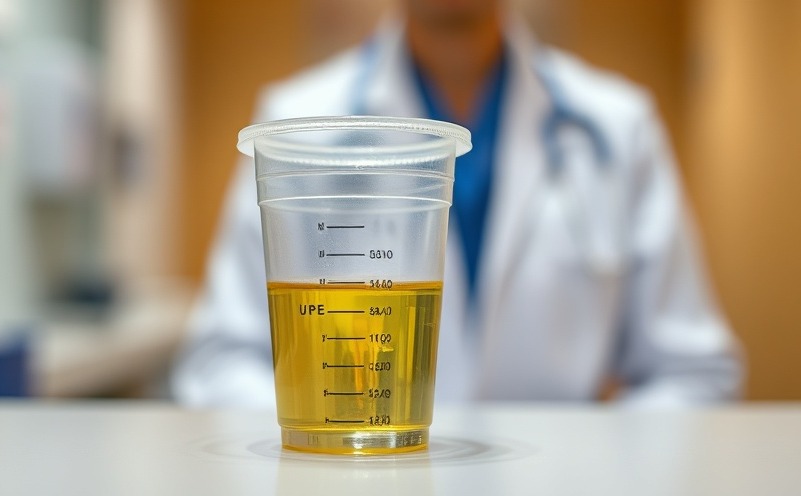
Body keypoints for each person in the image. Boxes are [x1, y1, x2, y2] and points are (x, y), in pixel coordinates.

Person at [171, 0, 743, 407]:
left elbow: (694, 372)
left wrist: (587, 466)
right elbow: (217, 365)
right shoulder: (294, 124)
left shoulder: (617, 126)